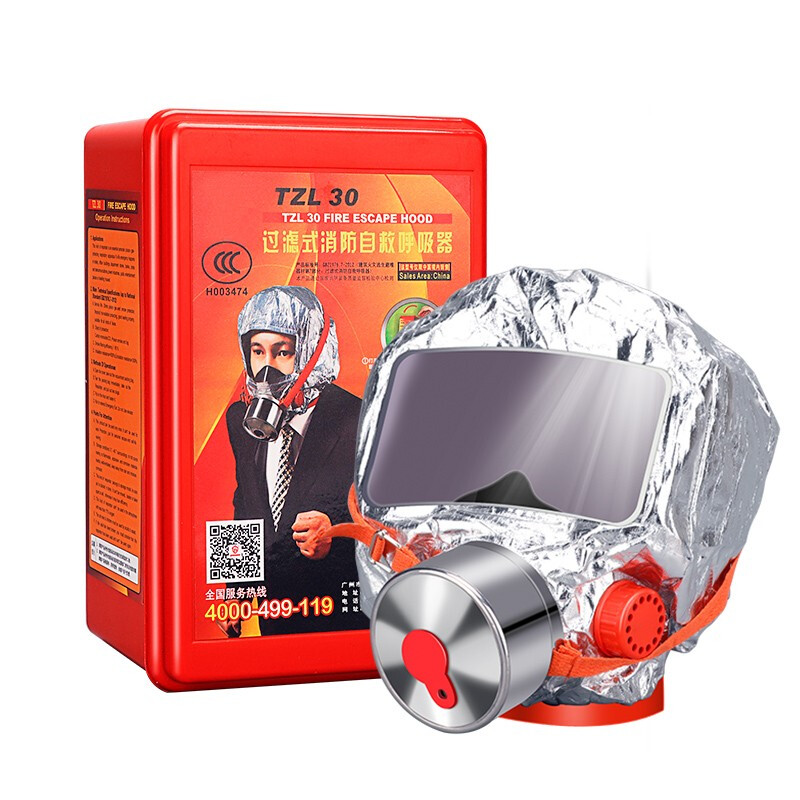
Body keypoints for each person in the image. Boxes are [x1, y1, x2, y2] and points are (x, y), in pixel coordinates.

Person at [222, 286, 364, 635]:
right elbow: (246, 505)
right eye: (257, 351)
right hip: (275, 618)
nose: (266, 369)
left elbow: (396, 525)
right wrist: (236, 589)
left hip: (343, 622)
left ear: (313, 352)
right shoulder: (241, 421)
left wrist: (336, 534)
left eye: (282, 352)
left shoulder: (361, 419)